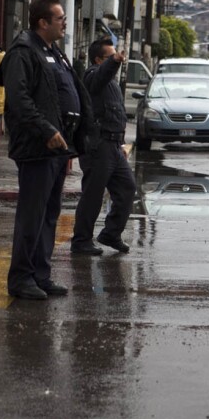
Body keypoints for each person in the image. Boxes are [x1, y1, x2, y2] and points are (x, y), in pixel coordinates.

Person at [0, 0, 93, 300]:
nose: (65, 24)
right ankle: (21, 278)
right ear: (42, 22)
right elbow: (20, 100)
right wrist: (46, 129)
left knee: (50, 214)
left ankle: (40, 274)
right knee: (32, 215)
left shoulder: (54, 52)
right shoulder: (23, 53)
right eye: (60, 18)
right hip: (37, 147)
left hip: (58, 148)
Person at [70, 38, 137, 256]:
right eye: (110, 56)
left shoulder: (112, 83)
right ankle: (81, 240)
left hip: (114, 147)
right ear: (99, 60)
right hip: (98, 146)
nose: (116, 60)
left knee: (127, 187)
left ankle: (111, 233)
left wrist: (122, 145)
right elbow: (102, 75)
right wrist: (114, 62)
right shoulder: (92, 76)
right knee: (93, 195)